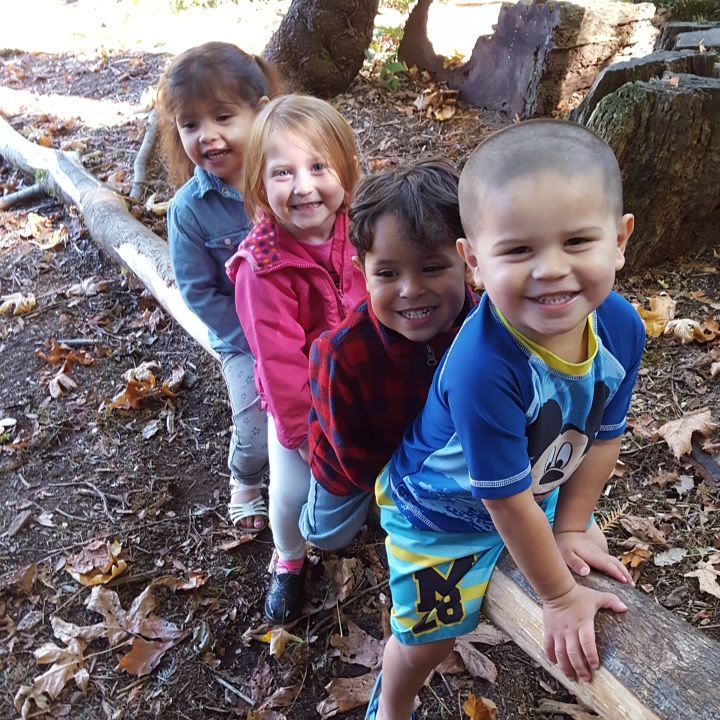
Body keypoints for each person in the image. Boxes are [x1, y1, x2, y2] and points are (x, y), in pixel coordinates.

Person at [365, 119, 645, 720]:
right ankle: (391, 705)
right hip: (438, 513)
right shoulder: (483, 365)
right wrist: (560, 595)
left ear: (619, 240)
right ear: (473, 262)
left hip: (526, 489)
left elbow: (603, 439)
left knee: (569, 533)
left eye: (577, 242)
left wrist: (569, 527)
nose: (550, 269)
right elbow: (504, 501)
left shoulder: (621, 327)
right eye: (518, 250)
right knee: (430, 636)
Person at [226, 94, 367, 624]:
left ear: (345, 172)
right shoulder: (261, 269)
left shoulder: (363, 230)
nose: (304, 187)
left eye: (318, 167)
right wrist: (308, 437)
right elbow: (280, 367)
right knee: (290, 495)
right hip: (305, 405)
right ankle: (287, 559)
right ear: (261, 185)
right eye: (282, 172)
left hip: (366, 382)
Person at [300, 159, 477, 551]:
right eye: (388, 274)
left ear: (467, 261)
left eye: (432, 267)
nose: (411, 289)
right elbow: (351, 451)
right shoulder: (342, 354)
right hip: (355, 464)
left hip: (432, 455)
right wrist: (391, 489)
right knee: (326, 536)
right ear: (361, 271)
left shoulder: (484, 326)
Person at [156, 42, 284, 533]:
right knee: (255, 423)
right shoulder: (189, 211)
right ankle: (246, 480)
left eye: (223, 117)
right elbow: (199, 292)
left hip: (307, 322)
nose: (207, 137)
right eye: (190, 125)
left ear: (261, 110)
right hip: (244, 339)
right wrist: (258, 339)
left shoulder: (288, 177)